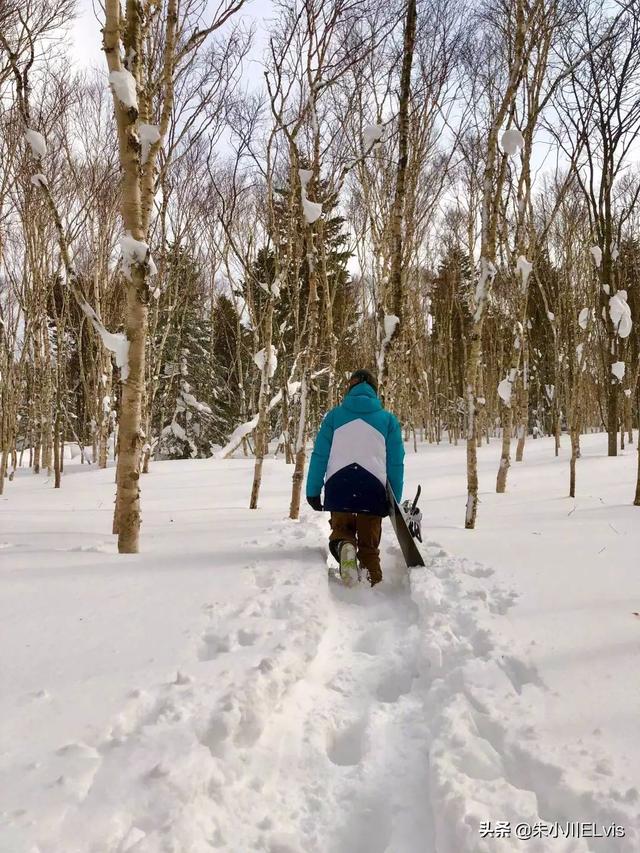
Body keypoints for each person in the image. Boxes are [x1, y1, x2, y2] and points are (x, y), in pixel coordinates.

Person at [306, 368, 404, 587]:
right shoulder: (388, 420)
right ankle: (372, 583)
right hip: (372, 489)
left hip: (339, 487)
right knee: (369, 545)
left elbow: (320, 455)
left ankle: (344, 547)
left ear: (350, 387)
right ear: (374, 390)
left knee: (342, 531)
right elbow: (395, 463)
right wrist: (394, 499)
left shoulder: (333, 417)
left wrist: (313, 490)